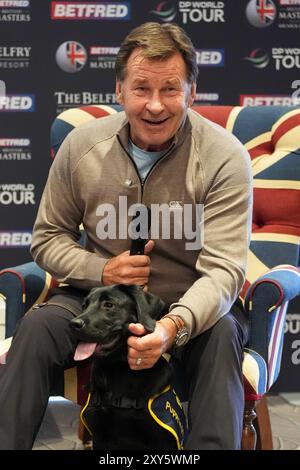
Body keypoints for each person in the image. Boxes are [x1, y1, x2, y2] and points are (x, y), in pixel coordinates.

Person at [0, 22, 252, 450]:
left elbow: (224, 271)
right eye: (140, 89)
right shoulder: (81, 148)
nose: (155, 105)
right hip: (97, 296)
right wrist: (103, 269)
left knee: (224, 333)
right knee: (39, 325)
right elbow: (47, 238)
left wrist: (172, 326)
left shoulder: (224, 158)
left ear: (192, 92)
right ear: (119, 91)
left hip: (190, 301)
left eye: (171, 89)